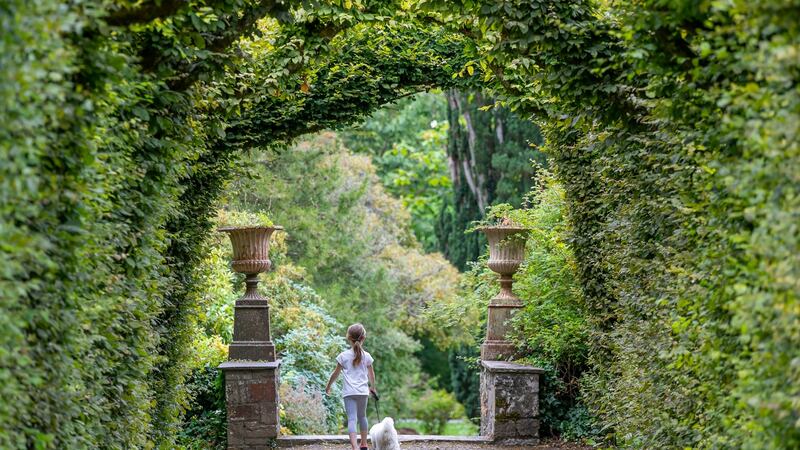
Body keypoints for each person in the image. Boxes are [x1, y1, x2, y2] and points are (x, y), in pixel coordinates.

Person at [326, 323, 377, 450]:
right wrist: (373, 387)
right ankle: (364, 444)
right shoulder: (367, 356)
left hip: (349, 392)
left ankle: (355, 447)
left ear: (348, 337)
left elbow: (335, 374)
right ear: (363, 338)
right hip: (362, 392)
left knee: (352, 419)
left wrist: (328, 386)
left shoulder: (343, 356)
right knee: (362, 416)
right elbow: (371, 375)